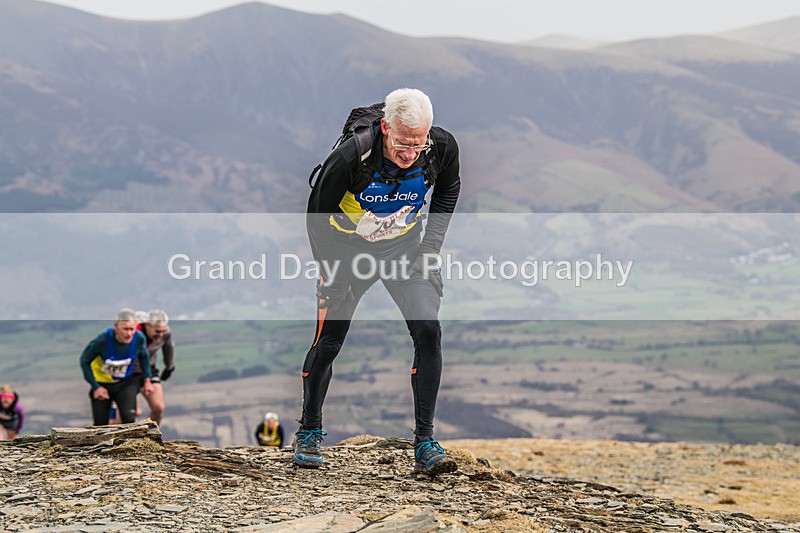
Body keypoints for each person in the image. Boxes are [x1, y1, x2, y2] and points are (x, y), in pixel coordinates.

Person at [293, 88, 461, 474]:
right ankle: (309, 430)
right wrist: (333, 274)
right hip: (346, 252)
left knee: (429, 331)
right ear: (386, 127)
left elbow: (448, 189)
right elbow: (316, 217)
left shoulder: (441, 147)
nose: (409, 155)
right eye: (402, 144)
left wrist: (430, 248)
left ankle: (425, 442)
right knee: (330, 339)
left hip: (403, 249)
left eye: (417, 145)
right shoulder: (353, 155)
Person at [79, 308, 154, 425]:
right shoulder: (102, 340)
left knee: (129, 420)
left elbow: (144, 357)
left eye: (131, 329)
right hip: (102, 384)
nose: (129, 333)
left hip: (125, 383)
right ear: (116, 327)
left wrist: (147, 380)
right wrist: (95, 386)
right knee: (100, 425)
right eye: (125, 329)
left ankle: (128, 443)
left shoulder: (139, 338)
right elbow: (84, 361)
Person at [134, 310, 176, 425]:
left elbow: (169, 348)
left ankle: (147, 436)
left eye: (163, 331)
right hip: (129, 371)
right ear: (148, 325)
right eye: (157, 331)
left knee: (159, 407)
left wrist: (169, 367)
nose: (161, 335)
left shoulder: (166, 333)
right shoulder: (135, 333)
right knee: (129, 413)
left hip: (149, 368)